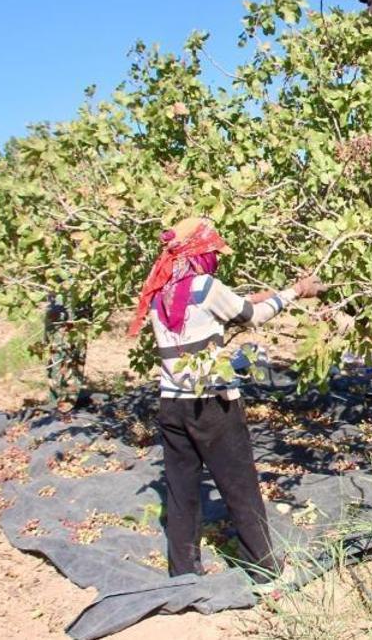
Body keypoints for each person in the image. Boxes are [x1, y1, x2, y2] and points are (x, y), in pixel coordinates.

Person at [128, 217, 325, 578]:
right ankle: (264, 569)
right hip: (212, 403)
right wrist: (297, 291)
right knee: (239, 486)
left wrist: (270, 292)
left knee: (181, 490)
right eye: (212, 251)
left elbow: (225, 308)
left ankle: (184, 572)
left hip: (172, 403)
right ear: (199, 252)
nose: (214, 258)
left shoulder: (159, 290)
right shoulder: (205, 286)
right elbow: (251, 317)